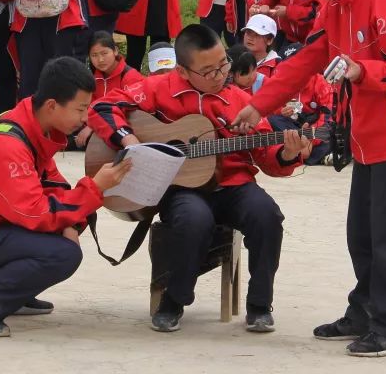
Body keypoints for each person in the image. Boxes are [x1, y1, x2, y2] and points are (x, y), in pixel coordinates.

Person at [235, 0, 386, 358]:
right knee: (361, 235)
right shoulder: (335, 6)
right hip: (360, 139)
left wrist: (362, 71)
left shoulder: (385, 0)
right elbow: (307, 60)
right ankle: (364, 311)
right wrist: (259, 105)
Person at [89, 24, 309, 334]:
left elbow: (268, 157)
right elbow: (101, 107)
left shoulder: (240, 101)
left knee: (267, 215)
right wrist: (130, 141)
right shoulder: (157, 88)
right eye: (208, 71)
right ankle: (174, 301)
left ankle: (259, 305)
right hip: (182, 188)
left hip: (234, 185)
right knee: (194, 220)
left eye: (223, 64)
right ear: (182, 69)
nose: (220, 75)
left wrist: (287, 154)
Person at [0, 57, 132, 338]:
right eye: (80, 109)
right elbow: (36, 213)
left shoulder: (32, 125)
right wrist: (96, 188)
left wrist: (72, 222)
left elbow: (53, 184)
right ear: (52, 105)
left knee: (74, 216)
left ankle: (14, 293)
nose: (85, 118)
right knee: (64, 254)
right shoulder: (8, 145)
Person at [89, 31, 144, 99]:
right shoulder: (93, 78)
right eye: (94, 55)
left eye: (104, 53)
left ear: (115, 51)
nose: (100, 60)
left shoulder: (131, 77)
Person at [241, 14, 280, 78]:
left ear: (269, 40)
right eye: (248, 32)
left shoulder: (277, 66)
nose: (250, 38)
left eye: (257, 35)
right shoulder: (234, 58)